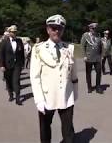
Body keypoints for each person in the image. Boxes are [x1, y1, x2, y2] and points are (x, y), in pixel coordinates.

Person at [30, 14, 78, 143]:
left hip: (66, 96)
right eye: (53, 28)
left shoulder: (69, 48)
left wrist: (75, 94)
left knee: (68, 132)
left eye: (60, 28)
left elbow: (74, 74)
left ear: (63, 30)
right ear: (48, 29)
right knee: (45, 130)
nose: (57, 31)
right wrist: (39, 100)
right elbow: (35, 77)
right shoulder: (38, 49)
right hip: (47, 97)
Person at [0, 25, 25, 105]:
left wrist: (22, 63)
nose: (14, 33)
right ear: (9, 33)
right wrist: (1, 65)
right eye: (12, 32)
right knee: (8, 81)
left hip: (17, 65)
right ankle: (11, 94)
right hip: (7, 65)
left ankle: (18, 98)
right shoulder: (4, 42)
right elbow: (0, 54)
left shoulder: (19, 41)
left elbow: (22, 53)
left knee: (16, 81)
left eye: (15, 32)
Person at [81, 23, 103, 94]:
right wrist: (84, 55)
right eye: (93, 29)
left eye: (95, 29)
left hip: (97, 58)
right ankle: (89, 87)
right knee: (88, 73)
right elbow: (82, 46)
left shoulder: (98, 35)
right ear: (90, 28)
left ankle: (98, 87)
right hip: (89, 57)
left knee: (99, 72)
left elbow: (100, 47)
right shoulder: (86, 35)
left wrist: (101, 56)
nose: (94, 30)